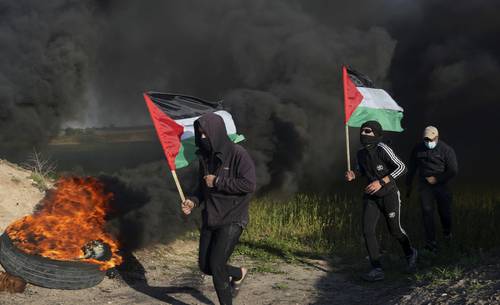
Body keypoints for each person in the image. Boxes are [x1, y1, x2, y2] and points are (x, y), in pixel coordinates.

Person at [181, 112, 256, 305]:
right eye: (200, 134)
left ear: (217, 132)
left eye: (206, 133)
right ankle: (239, 273)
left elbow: (249, 185)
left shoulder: (238, 154)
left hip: (233, 217)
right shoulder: (205, 158)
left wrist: (219, 181)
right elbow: (201, 187)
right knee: (206, 266)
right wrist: (192, 201)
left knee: (217, 265)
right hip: (211, 217)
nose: (203, 138)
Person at [345, 120, 417, 282]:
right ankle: (376, 268)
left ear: (376, 134)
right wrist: (354, 175)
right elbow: (361, 170)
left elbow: (402, 168)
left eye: (368, 131)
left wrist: (381, 182)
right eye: (362, 130)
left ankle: (410, 253)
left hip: (389, 194)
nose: (364, 133)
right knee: (367, 230)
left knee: (395, 231)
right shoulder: (360, 153)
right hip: (371, 197)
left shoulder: (383, 149)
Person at [406, 126, 458, 253]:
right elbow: (412, 168)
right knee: (427, 212)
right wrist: (408, 185)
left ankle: (447, 233)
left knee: (445, 212)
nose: (428, 142)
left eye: (431, 139)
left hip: (442, 185)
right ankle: (431, 243)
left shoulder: (446, 150)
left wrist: (437, 179)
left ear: (437, 137)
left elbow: (453, 170)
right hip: (425, 186)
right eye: (426, 139)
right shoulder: (417, 149)